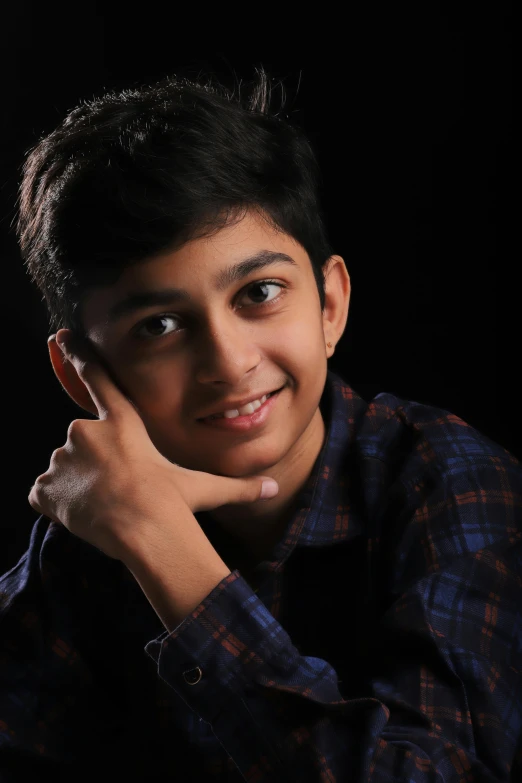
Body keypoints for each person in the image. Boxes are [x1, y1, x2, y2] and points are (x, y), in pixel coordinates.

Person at [0, 69, 520, 783]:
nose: (228, 360)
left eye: (260, 293)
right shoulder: (98, 520)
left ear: (330, 304)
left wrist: (167, 548)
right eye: (159, 325)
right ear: (78, 372)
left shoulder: (448, 480)